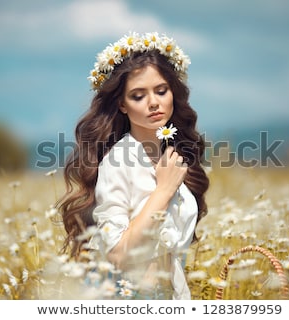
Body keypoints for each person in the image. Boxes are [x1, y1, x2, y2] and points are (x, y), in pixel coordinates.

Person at [58, 32, 209, 299]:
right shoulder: (117, 162)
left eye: (161, 91)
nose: (153, 102)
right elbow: (117, 255)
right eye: (138, 96)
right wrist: (162, 191)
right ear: (122, 105)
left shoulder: (173, 157)